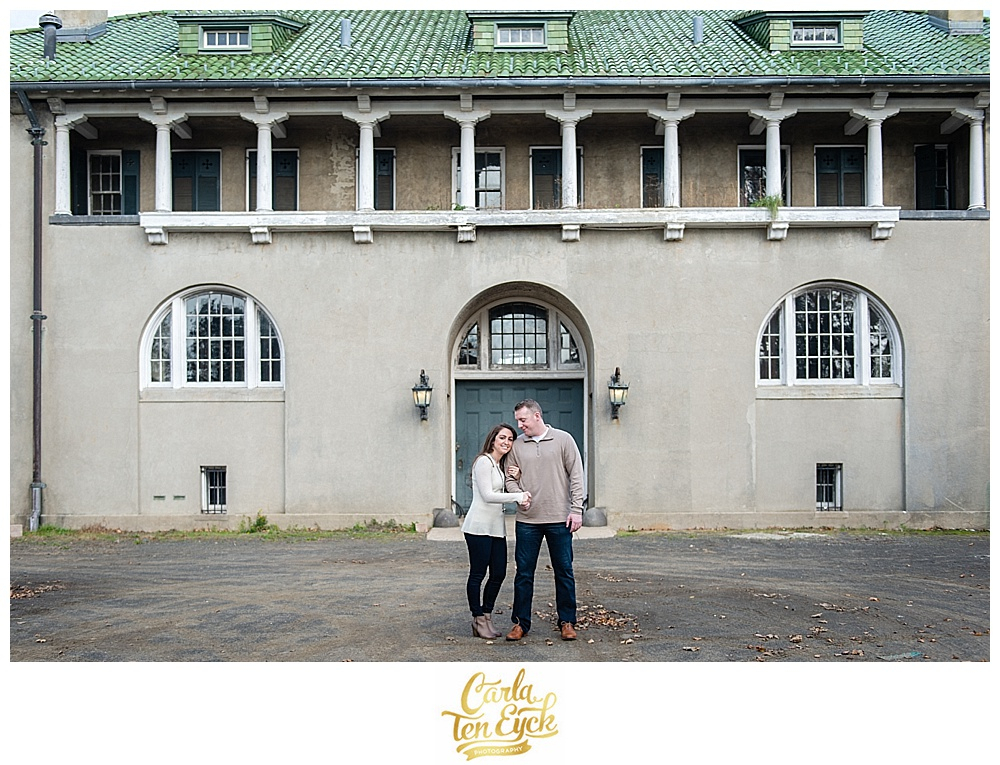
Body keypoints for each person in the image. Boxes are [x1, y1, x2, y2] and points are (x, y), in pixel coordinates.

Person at [503, 399, 585, 641]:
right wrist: (518, 496)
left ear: (537, 416)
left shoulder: (563, 439)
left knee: (564, 571)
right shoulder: (517, 446)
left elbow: (577, 475)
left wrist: (576, 509)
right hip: (528, 520)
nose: (519, 425)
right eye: (518, 420)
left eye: (523, 420)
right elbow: (509, 479)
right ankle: (520, 623)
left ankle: (567, 621)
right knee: (524, 573)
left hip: (560, 518)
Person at [461, 423, 531, 639]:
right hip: (478, 527)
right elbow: (488, 495)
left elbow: (502, 488)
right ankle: (478, 619)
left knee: (499, 573)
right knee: (478, 574)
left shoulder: (499, 465)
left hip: (496, 529)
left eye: (510, 439)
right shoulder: (483, 462)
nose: (506, 442)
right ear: (493, 439)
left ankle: (487, 615)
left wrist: (517, 478)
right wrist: (518, 496)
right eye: (502, 438)